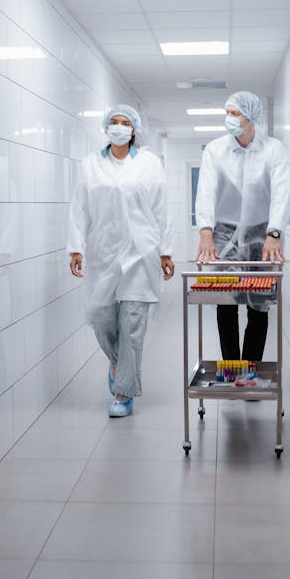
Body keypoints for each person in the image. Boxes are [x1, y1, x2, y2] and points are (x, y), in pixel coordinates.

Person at [68, 105, 174, 418]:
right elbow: (78, 208)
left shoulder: (151, 164)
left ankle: (123, 391)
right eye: (113, 122)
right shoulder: (89, 165)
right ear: (105, 128)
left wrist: (166, 251)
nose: (118, 127)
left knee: (132, 328)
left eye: (124, 123)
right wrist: (76, 248)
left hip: (141, 253)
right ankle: (117, 362)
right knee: (100, 320)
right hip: (102, 254)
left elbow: (162, 210)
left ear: (133, 130)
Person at [194, 91, 290, 362]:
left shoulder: (273, 149)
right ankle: (231, 368)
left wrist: (274, 233)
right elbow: (206, 192)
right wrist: (205, 232)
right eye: (227, 112)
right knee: (226, 302)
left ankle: (250, 370)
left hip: (263, 234)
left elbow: (282, 193)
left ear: (250, 117)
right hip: (225, 234)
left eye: (235, 113)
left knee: (259, 305)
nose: (229, 118)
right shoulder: (216, 150)